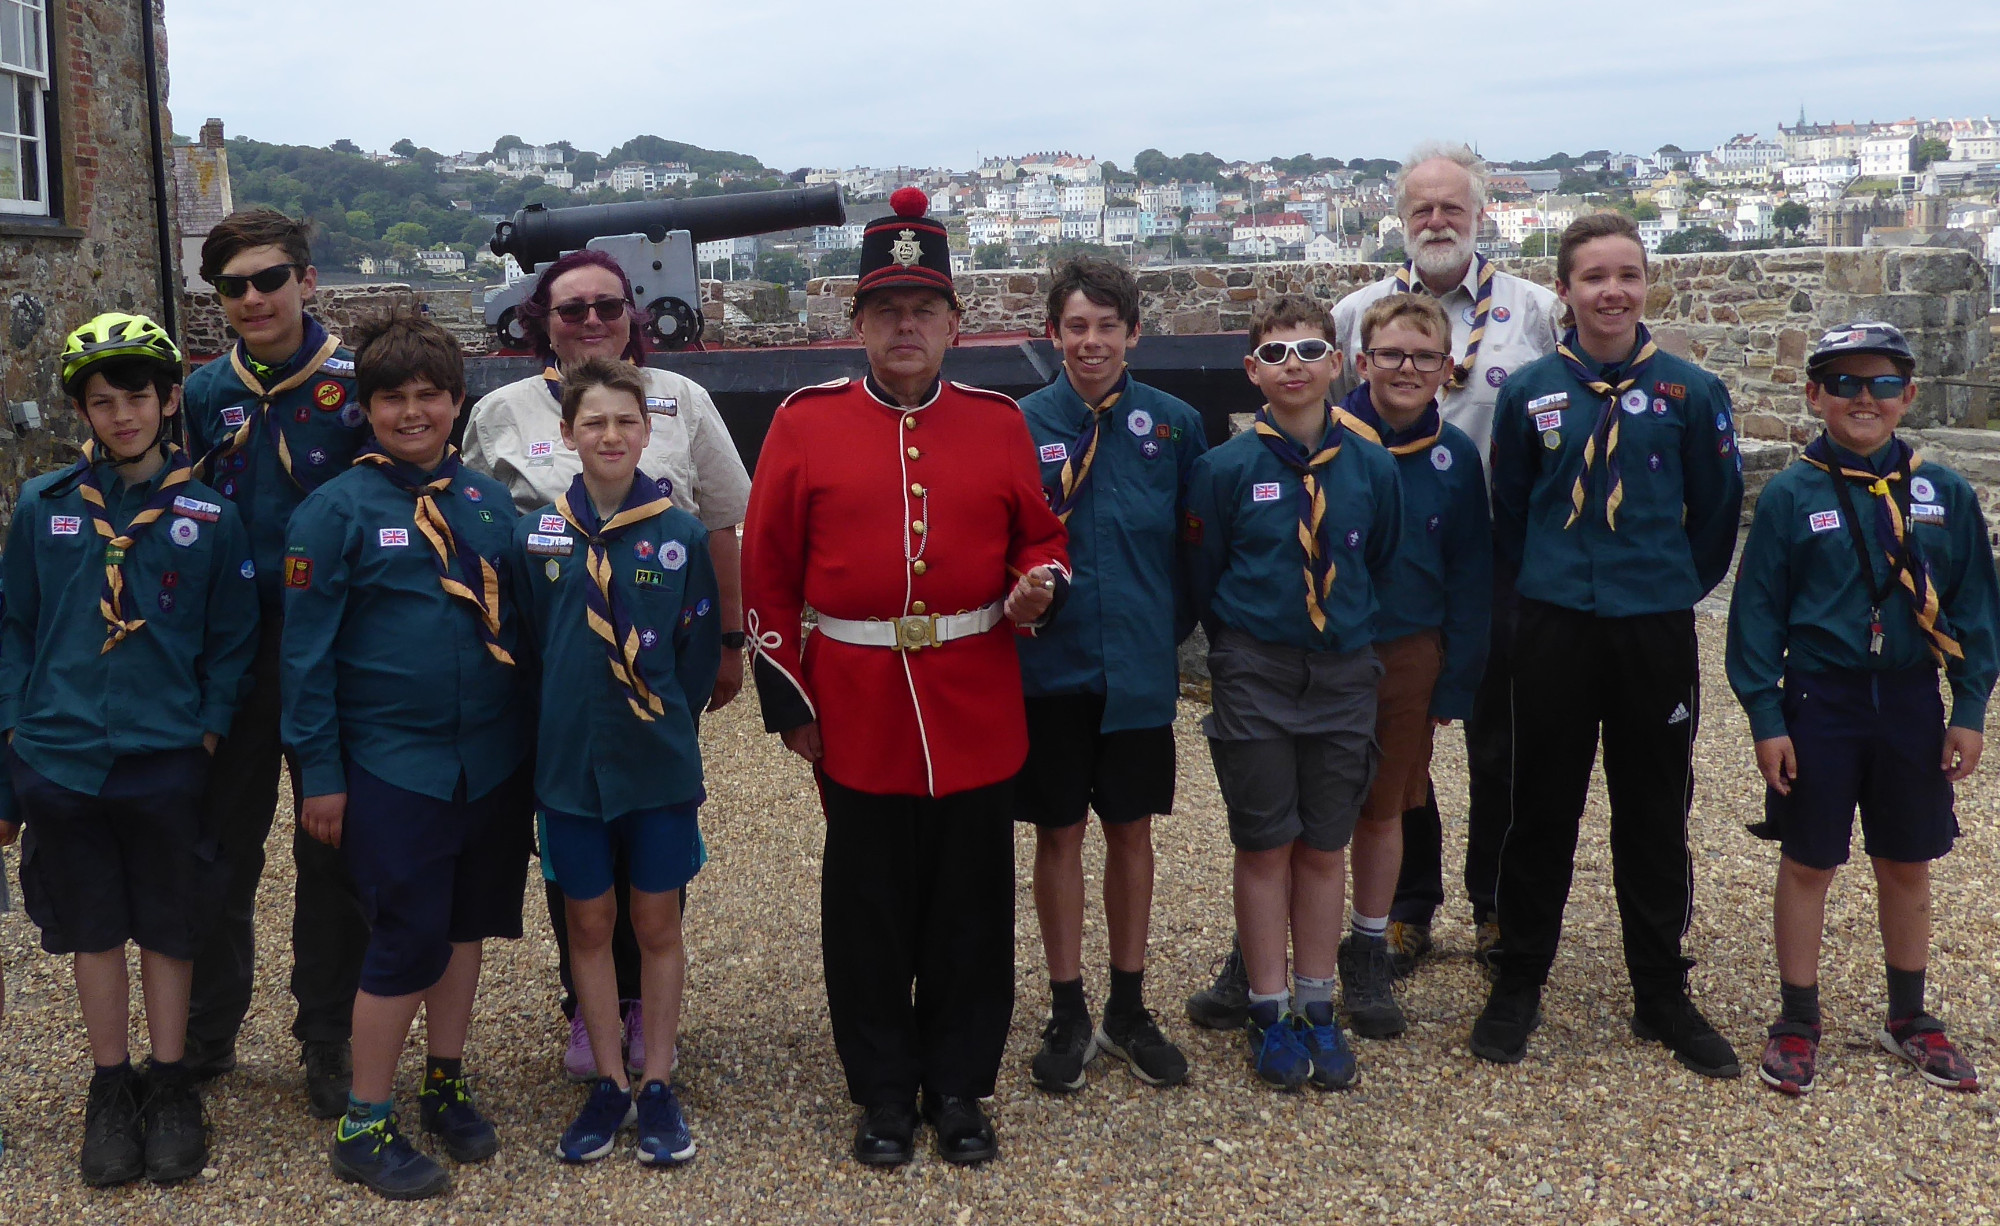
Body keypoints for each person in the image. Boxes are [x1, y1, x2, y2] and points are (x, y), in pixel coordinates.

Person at [1188, 142, 1558, 1027]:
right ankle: (1276, 953)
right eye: (1421, 207)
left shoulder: (1534, 314)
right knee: (1292, 816)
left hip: (1433, 610)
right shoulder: (1351, 335)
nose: (1437, 220)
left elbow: (1464, 549)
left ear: (1480, 214)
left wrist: (1459, 661)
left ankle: (1406, 932)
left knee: (1405, 790)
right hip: (1322, 638)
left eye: (1452, 207)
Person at [741, 187, 1068, 1167]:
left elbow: (1039, 538)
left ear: (955, 323)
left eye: (924, 308)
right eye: (887, 310)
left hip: (975, 694)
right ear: (859, 324)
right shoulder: (804, 422)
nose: (906, 326)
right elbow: (765, 569)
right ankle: (883, 1089)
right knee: (869, 912)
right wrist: (791, 697)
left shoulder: (997, 421)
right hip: (858, 702)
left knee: (971, 908)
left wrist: (1039, 586)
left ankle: (960, 1085)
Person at [462, 248, 750, 1082]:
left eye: (608, 306)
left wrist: (729, 642)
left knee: (653, 837)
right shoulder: (502, 412)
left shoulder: (681, 400)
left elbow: (719, 524)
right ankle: (587, 1006)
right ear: (542, 323)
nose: (591, 321)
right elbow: (480, 534)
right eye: (571, 309)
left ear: (632, 315)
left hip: (654, 657)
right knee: (574, 844)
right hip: (559, 666)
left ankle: (646, 1006)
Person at [1474, 212, 1743, 1076]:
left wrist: (1663, 587)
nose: (1612, 291)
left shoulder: (1691, 392)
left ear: (1646, 283)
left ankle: (1660, 990)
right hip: (1555, 624)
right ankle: (1519, 978)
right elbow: (1511, 513)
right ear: (1565, 290)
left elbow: (1716, 515)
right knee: (1540, 806)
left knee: (1655, 809)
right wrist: (1548, 587)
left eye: (1627, 274)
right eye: (1594, 277)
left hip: (1651, 627)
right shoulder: (1529, 391)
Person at [0, 313, 259, 1185]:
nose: (121, 416)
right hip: (61, 756)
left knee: (169, 924)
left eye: (137, 398)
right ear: (83, 412)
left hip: (165, 755)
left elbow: (232, 639)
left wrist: (207, 731)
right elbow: (16, 626)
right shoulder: (43, 508)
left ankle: (171, 1080)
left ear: (170, 400)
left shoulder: (210, 516)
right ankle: (110, 1085)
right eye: (103, 402)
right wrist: (15, 733)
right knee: (94, 926)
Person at [283, 312, 533, 1200]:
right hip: (393, 764)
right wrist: (320, 775)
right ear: (366, 408)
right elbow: (304, 660)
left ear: (458, 402)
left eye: (431, 395)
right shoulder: (333, 513)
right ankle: (364, 1123)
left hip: (490, 762)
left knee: (464, 927)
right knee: (403, 938)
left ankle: (446, 1082)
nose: (414, 412)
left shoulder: (490, 504)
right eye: (393, 398)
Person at [1726, 321, 1998, 1096]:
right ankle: (1796, 1020)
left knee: (1907, 859)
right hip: (1822, 696)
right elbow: (1756, 615)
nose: (1864, 399)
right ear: (1815, 395)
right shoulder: (1791, 494)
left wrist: (1969, 705)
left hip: (1909, 696)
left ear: (1908, 395)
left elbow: (1975, 605)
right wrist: (1766, 718)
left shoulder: (1943, 493)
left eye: (1881, 383)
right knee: (1809, 857)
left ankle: (1908, 1015)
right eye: (1844, 384)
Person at [1181, 295, 1401, 1091]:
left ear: (1338, 363)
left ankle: (1317, 1004)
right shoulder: (1225, 470)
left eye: (1310, 350)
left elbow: (1380, 557)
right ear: (1252, 371)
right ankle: (1268, 1012)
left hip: (1342, 674)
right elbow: (1204, 575)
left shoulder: (1372, 466)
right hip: (1258, 672)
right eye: (1275, 354)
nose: (1294, 366)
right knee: (1264, 841)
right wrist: (1244, 648)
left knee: (1324, 844)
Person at [180, 208, 371, 1117]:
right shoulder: (201, 393)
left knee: (332, 849)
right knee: (220, 844)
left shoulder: (360, 385)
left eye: (269, 279)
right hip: (233, 651)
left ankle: (327, 1034)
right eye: (233, 286)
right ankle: (208, 1028)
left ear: (306, 280)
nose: (253, 298)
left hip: (336, 648)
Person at [509, 357, 720, 1164]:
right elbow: (530, 647)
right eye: (593, 422)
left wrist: (662, 724)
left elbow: (695, 656)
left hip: (655, 765)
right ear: (567, 433)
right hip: (569, 767)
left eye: (625, 421)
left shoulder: (680, 535)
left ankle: (656, 1080)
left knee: (656, 922)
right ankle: (608, 1079)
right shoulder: (537, 536)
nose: (610, 435)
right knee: (588, 923)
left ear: (646, 431)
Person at [1015, 256, 1205, 1094]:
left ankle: (1129, 1005)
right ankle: (1068, 1006)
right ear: (1052, 333)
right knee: (1058, 832)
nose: (1090, 342)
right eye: (1075, 326)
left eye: (1106, 326)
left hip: (1136, 668)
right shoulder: (1018, 426)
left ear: (1133, 333)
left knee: (1131, 831)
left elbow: (1194, 548)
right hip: (1050, 670)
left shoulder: (1175, 426)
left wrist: (1160, 632)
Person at [1334, 294, 1491, 1039]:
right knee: (1298, 809)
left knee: (1387, 804)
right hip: (1324, 651)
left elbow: (1469, 573)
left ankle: (1371, 942)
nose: (1406, 369)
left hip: (1407, 652)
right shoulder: (1324, 438)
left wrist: (1454, 680)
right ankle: (1260, 952)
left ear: (1447, 368)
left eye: (1424, 357)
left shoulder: (1454, 457)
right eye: (1391, 354)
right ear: (1361, 362)